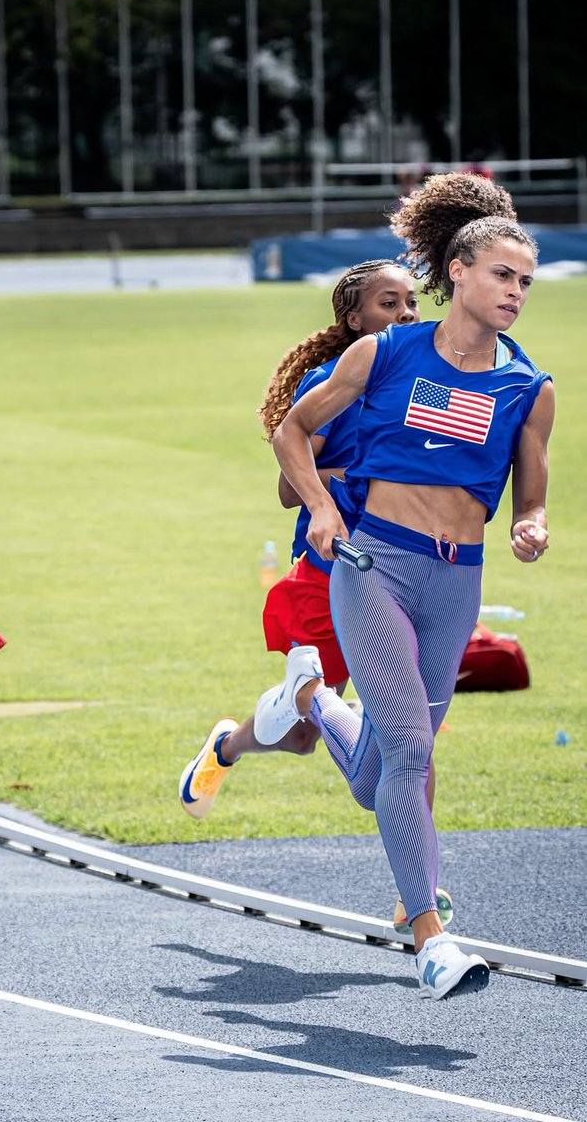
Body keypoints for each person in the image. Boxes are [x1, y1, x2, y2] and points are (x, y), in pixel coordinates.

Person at [270, 171, 553, 1000]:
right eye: (502, 275)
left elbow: (529, 494)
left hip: (455, 584)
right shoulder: (382, 351)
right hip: (373, 567)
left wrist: (528, 526)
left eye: (526, 282)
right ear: (458, 272)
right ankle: (429, 937)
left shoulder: (527, 388)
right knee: (411, 752)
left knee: (377, 773)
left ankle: (316, 702)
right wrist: (322, 507)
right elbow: (294, 429)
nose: (514, 292)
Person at [179, 259, 448, 931]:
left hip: (403, 577)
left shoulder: (424, 380)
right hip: (328, 577)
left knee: (411, 742)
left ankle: (419, 891)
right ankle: (226, 748)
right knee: (301, 739)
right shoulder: (333, 381)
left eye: (412, 301)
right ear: (354, 320)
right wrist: (349, 479)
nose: (407, 314)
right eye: (389, 304)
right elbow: (284, 484)